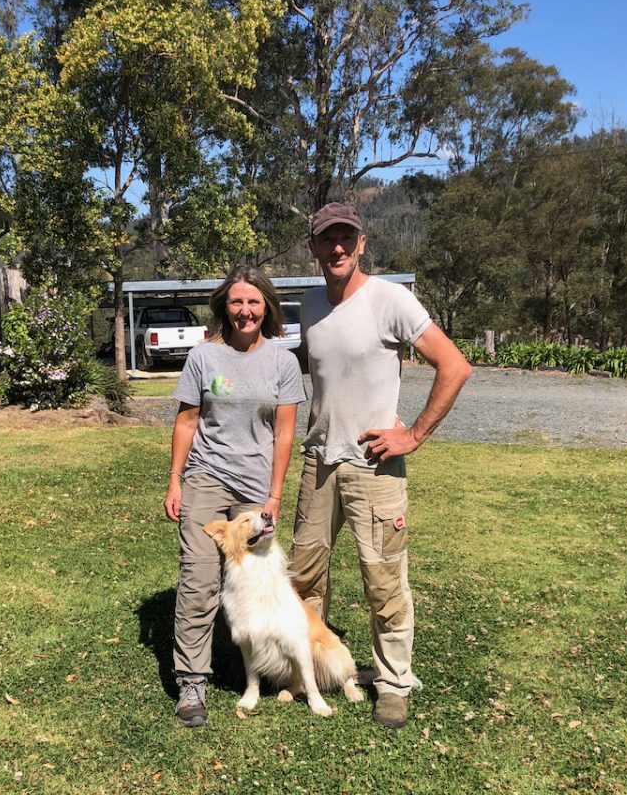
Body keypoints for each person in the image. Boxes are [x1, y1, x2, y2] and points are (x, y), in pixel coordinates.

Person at [290, 202, 472, 729]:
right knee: (304, 577)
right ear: (315, 249)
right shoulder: (308, 305)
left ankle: (393, 682)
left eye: (347, 238)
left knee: (384, 580)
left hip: (374, 466)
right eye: (328, 240)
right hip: (317, 465)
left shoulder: (390, 298)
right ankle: (309, 672)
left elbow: (454, 364)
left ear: (362, 243)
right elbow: (306, 361)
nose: (338, 248)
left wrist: (412, 435)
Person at [164, 266, 306, 727]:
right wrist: (175, 480)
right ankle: (192, 681)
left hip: (256, 487)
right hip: (207, 476)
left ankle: (276, 664)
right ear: (224, 306)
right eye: (236, 302)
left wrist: (275, 495)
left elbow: (284, 433)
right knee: (199, 577)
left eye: (254, 302)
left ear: (267, 308)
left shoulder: (283, 363)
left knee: (262, 579)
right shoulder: (203, 357)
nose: (245, 311)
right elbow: (187, 422)